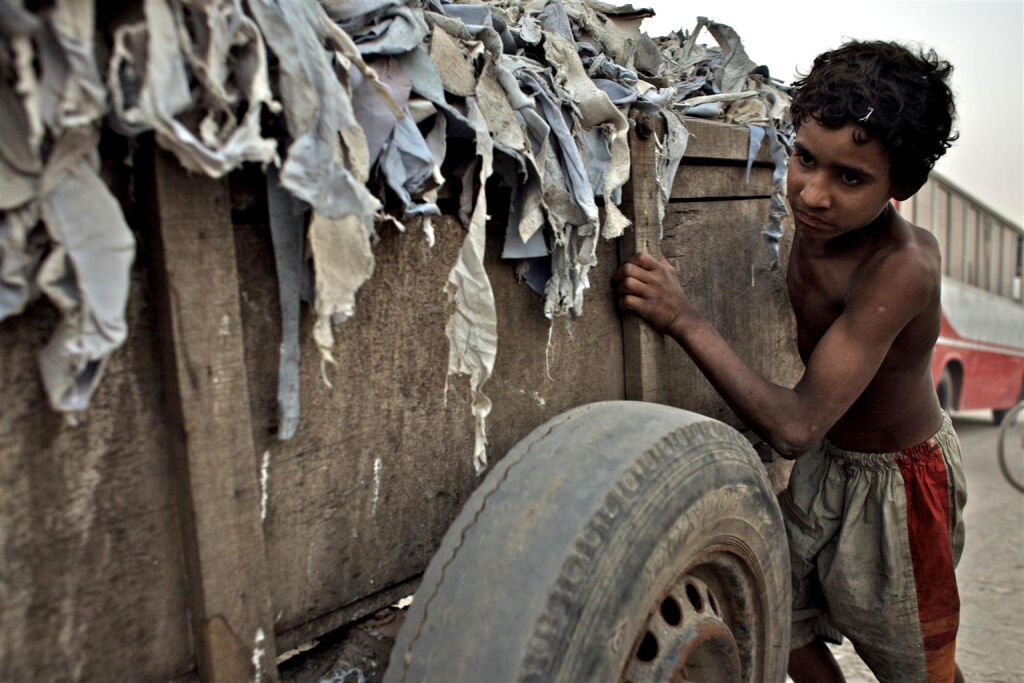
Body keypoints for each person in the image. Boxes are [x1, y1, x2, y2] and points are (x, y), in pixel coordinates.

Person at [614, 41, 966, 683]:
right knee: (780, 619)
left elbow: (796, 427)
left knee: (920, 669)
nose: (812, 195)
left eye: (851, 178)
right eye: (805, 159)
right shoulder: (811, 221)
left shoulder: (900, 269)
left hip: (896, 488)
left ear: (904, 186)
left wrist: (684, 318)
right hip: (827, 468)